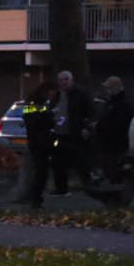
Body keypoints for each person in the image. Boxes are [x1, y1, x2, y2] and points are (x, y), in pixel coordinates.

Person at [50, 70, 92, 195]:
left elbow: (90, 112)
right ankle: (61, 188)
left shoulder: (81, 94)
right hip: (58, 134)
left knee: (81, 161)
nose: (64, 82)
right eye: (61, 80)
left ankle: (89, 186)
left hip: (75, 134)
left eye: (66, 79)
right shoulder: (56, 96)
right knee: (58, 162)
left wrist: (87, 128)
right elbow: (50, 110)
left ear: (71, 80)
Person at [20, 80, 56, 208]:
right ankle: (36, 199)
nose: (52, 95)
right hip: (39, 142)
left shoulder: (38, 103)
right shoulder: (36, 104)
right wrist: (51, 119)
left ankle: (36, 198)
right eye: (51, 92)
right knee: (41, 171)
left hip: (38, 141)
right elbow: (35, 121)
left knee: (41, 171)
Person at [95, 75, 133, 181]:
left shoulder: (123, 104)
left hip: (115, 147)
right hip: (107, 146)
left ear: (116, 88)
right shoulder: (111, 103)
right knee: (108, 172)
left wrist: (100, 125)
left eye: (109, 88)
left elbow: (118, 125)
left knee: (114, 174)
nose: (107, 90)